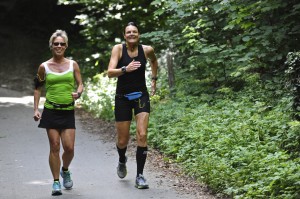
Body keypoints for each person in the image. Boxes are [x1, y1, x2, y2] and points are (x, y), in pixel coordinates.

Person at [107, 22, 158, 189]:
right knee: (123, 140)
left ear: (139, 34)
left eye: (134, 32)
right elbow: (109, 73)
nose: (131, 34)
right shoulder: (118, 49)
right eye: (128, 32)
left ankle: (140, 175)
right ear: (124, 35)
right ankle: (122, 159)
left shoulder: (147, 49)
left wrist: (154, 80)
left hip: (141, 96)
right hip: (122, 98)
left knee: (142, 134)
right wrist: (125, 69)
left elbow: (154, 61)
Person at [33, 30, 84, 196]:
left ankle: (65, 169)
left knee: (69, 148)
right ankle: (55, 182)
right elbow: (37, 88)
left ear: (66, 46)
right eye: (56, 44)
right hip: (51, 110)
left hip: (68, 111)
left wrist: (79, 93)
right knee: (54, 146)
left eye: (62, 44)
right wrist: (36, 109)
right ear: (51, 46)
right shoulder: (44, 66)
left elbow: (80, 84)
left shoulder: (72, 64)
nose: (59, 46)